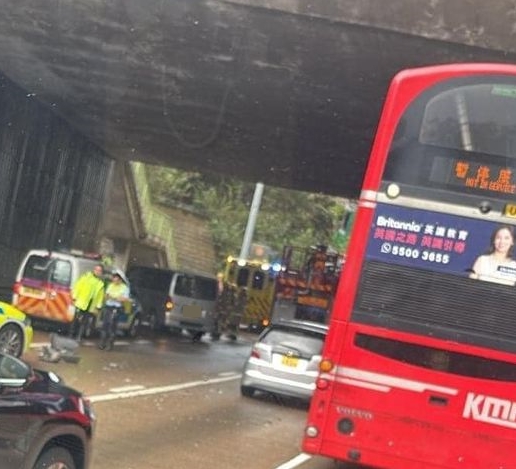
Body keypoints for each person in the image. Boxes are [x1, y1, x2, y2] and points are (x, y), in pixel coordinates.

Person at [69, 264, 105, 342]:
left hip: (90, 305)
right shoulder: (86, 277)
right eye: (96, 270)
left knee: (84, 322)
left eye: (99, 271)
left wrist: (98, 306)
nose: (97, 272)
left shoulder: (100, 284)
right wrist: (74, 297)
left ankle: (79, 337)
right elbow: (78, 286)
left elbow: (100, 296)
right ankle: (71, 335)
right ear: (94, 270)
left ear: (101, 273)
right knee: (76, 320)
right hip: (81, 302)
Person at [99, 271, 130, 350]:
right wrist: (115, 298)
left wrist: (114, 298)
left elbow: (124, 299)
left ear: (120, 279)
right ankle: (102, 344)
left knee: (112, 326)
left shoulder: (124, 288)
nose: (114, 280)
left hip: (116, 308)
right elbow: (106, 295)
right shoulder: (110, 285)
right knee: (105, 325)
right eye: (113, 278)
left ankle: (110, 345)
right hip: (108, 306)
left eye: (116, 278)